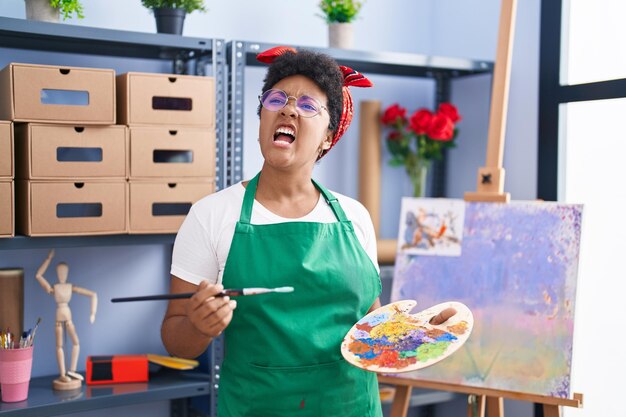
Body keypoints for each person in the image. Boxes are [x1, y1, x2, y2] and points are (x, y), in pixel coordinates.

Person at [161, 45, 384, 416]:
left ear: (329, 136)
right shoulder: (211, 215)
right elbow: (176, 340)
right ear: (262, 118)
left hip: (353, 407)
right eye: (277, 98)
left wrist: (421, 335)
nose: (289, 108)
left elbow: (372, 326)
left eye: (308, 105)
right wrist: (199, 326)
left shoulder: (355, 216)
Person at [36, 249, 98, 390]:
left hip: (67, 317)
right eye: (60, 272)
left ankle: (72, 370)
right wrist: (48, 259)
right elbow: (39, 276)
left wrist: (92, 312)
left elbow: (92, 294)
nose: (62, 274)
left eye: (64, 272)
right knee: (59, 346)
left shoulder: (70, 287)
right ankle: (63, 373)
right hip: (59, 317)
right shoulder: (54, 288)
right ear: (57, 273)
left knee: (75, 343)